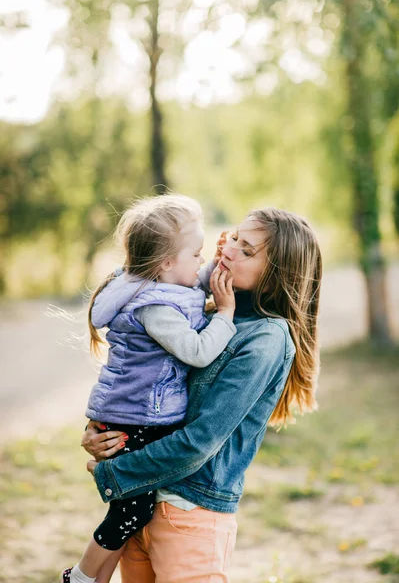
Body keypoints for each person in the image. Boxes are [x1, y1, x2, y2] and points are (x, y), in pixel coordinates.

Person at [82, 207, 322, 583]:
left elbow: (199, 442)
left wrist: (115, 470)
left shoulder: (265, 338)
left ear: (275, 275)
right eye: (234, 237)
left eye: (246, 250)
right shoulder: (204, 307)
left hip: (188, 514)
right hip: (139, 506)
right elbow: (142, 381)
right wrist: (103, 432)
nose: (227, 249)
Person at [61, 194, 238, 583]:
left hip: (139, 411)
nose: (201, 261)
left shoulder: (167, 283)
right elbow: (197, 351)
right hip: (135, 415)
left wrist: (222, 260)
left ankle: (90, 578)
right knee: (132, 511)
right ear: (166, 264)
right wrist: (224, 314)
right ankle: (81, 577)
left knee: (132, 507)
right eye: (198, 254)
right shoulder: (154, 307)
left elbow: (195, 281)